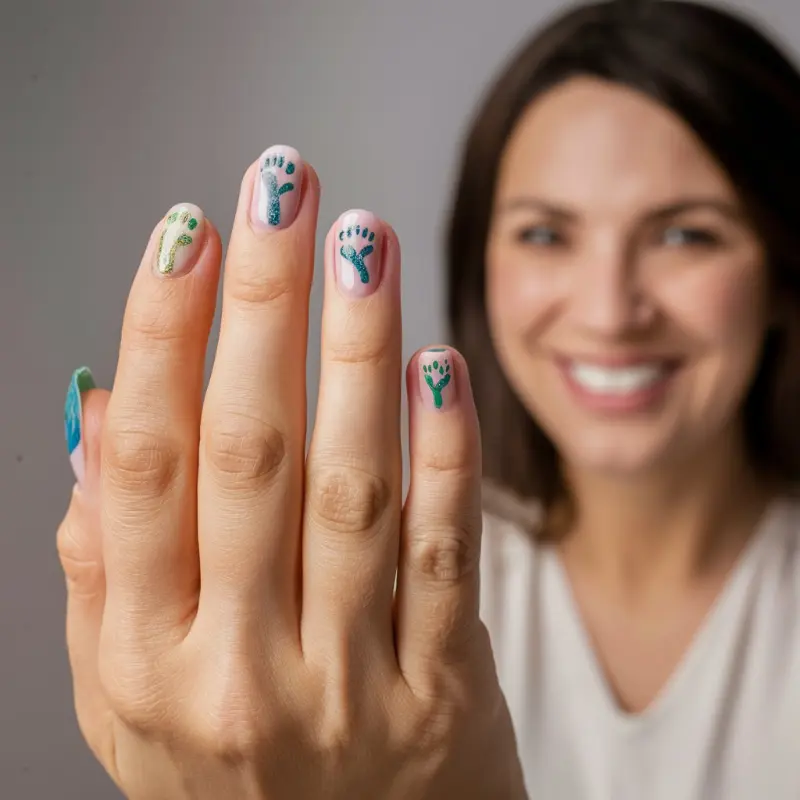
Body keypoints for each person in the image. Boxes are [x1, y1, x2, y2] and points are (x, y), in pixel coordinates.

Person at [57, 0, 800, 797]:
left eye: (686, 234)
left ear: (786, 270)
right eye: (545, 234)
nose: (610, 310)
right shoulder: (341, 637)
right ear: (480, 267)